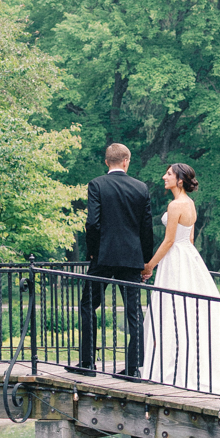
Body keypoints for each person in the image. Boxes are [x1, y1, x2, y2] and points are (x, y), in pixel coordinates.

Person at [141, 163, 220, 397]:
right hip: (189, 258)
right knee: (189, 310)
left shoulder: (175, 205)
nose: (164, 177)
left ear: (179, 180)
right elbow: (189, 238)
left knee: (171, 310)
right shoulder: (190, 204)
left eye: (169, 174)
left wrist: (149, 265)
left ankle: (171, 367)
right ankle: (188, 364)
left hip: (174, 259)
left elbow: (169, 241)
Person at [78, 143, 155, 375]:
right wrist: (145, 261)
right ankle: (133, 368)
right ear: (126, 161)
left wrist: (92, 251)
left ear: (106, 162)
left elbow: (92, 223)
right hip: (131, 258)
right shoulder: (141, 188)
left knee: (88, 306)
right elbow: (146, 228)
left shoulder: (97, 184)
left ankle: (88, 363)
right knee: (134, 312)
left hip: (103, 256)